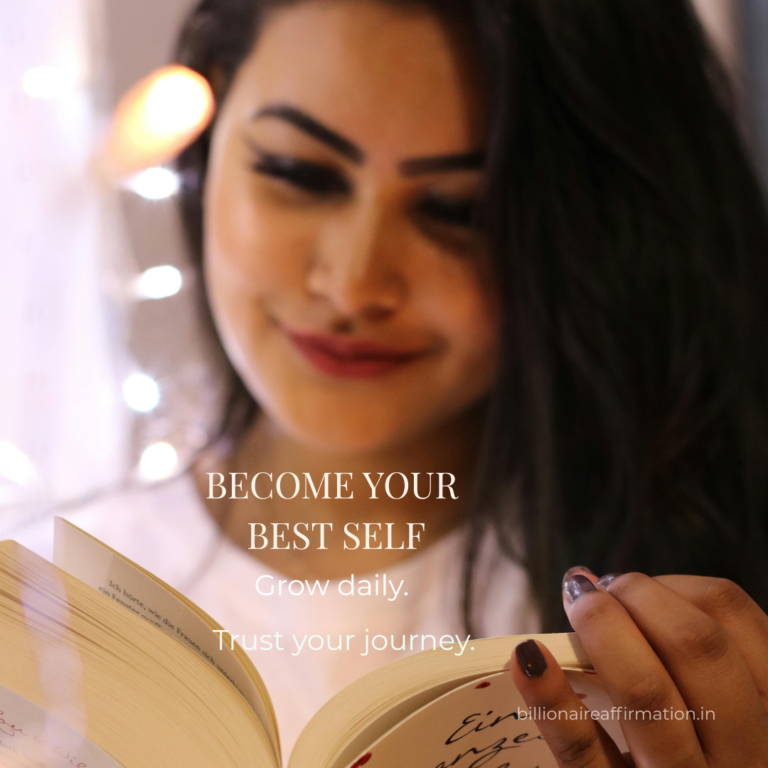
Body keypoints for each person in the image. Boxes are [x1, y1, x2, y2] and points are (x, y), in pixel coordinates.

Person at [19, 0, 768, 762]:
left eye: (455, 209)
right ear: (208, 142)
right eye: (298, 172)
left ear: (590, 238)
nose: (353, 284)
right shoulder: (39, 611)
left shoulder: (700, 646)